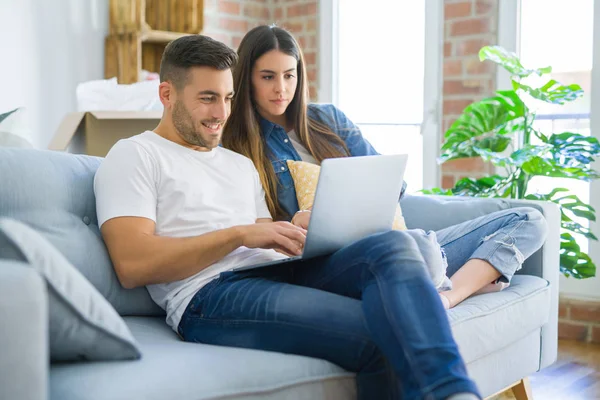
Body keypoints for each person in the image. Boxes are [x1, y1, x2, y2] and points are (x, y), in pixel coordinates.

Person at [95, 34, 481, 400]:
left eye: (228, 98)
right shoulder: (135, 155)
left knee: (393, 245)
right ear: (167, 94)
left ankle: (454, 393)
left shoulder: (238, 164)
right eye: (208, 98)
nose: (221, 113)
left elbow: (260, 234)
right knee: (382, 331)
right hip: (208, 295)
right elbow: (133, 264)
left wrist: (295, 228)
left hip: (275, 270)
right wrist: (238, 235)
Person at [222, 25, 548, 310]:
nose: (281, 88)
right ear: (248, 79)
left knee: (529, 219)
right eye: (268, 77)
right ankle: (435, 279)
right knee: (416, 247)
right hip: (325, 263)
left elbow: (392, 185)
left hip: (387, 239)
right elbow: (256, 232)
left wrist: (354, 209)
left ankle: (447, 297)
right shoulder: (236, 144)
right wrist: (302, 222)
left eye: (289, 75)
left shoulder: (328, 119)